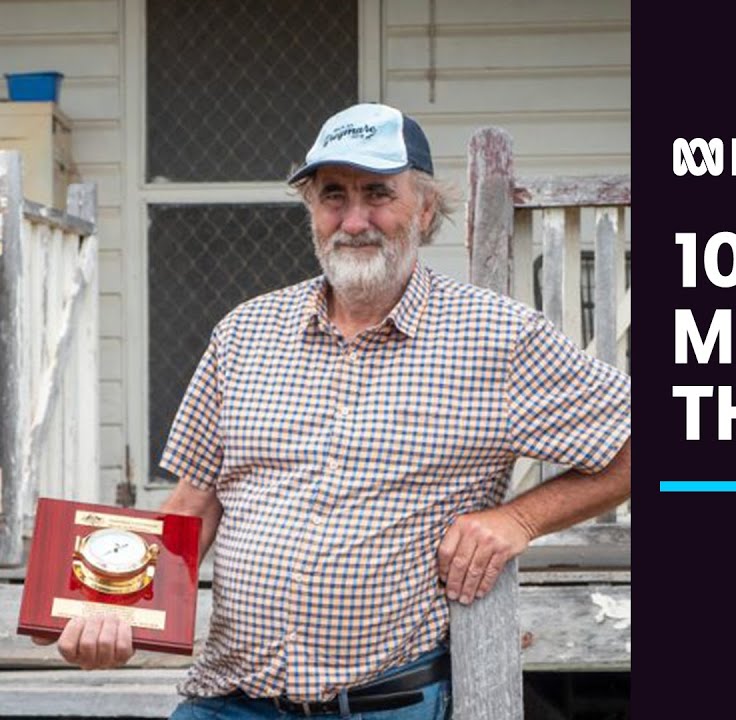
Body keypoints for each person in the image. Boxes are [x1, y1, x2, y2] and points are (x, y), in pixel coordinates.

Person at [33, 103, 632, 719]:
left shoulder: (498, 338)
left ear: (425, 210)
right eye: (333, 196)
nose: (354, 220)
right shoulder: (244, 333)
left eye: (378, 194)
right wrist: (118, 616)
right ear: (311, 211)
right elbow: (191, 508)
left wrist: (518, 521)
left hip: (381, 704)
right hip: (229, 701)